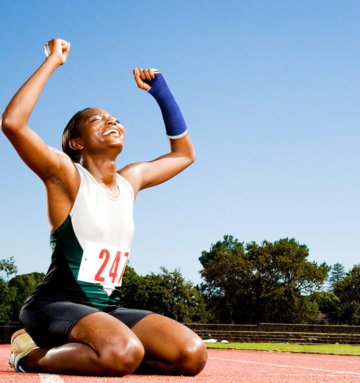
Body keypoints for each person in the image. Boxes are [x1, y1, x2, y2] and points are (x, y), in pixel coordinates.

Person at [1, 38, 207, 376]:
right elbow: (12, 124)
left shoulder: (131, 181)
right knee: (121, 352)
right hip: (54, 305)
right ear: (76, 142)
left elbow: (184, 155)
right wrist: (53, 60)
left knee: (191, 355)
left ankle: (101, 348)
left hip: (107, 311)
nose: (111, 121)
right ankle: (27, 353)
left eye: (114, 118)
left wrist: (162, 94)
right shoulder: (65, 176)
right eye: (97, 120)